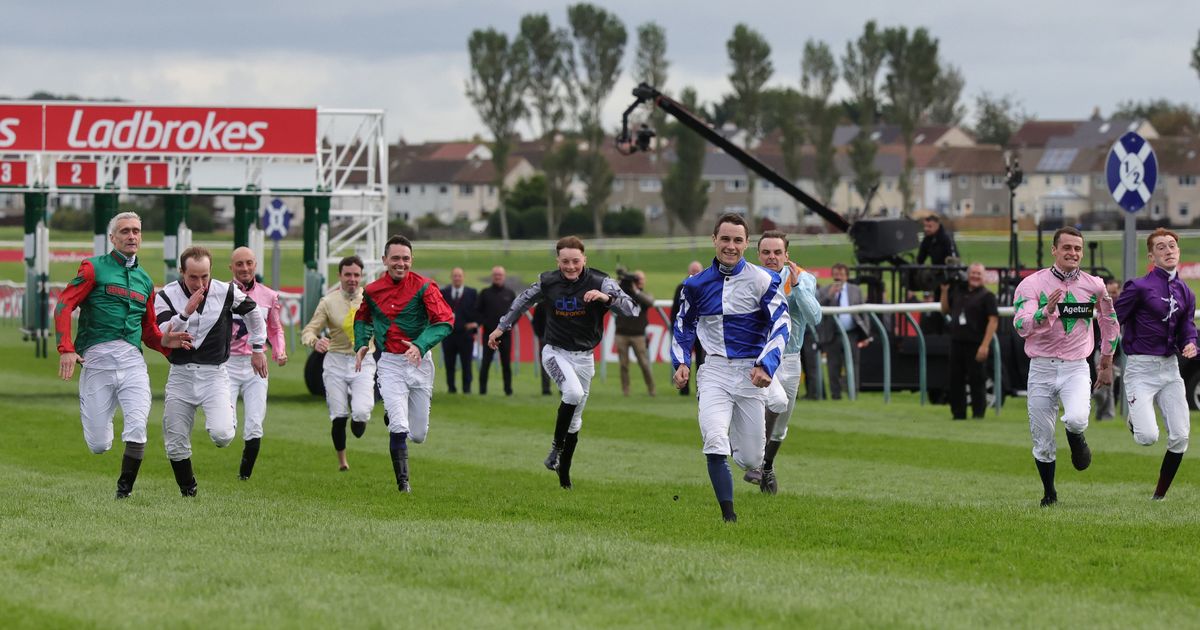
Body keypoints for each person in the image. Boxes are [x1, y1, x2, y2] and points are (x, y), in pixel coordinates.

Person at [54, 211, 191, 498]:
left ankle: (123, 492)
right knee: (99, 444)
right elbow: (64, 306)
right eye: (125, 231)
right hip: (97, 363)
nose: (132, 236)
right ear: (112, 238)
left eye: (136, 231)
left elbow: (149, 332)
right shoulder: (93, 268)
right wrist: (66, 348)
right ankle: (103, 430)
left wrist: (169, 344)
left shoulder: (145, 280)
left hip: (132, 363)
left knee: (138, 426)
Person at [488, 236, 638, 490]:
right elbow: (523, 300)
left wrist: (605, 298)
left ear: (584, 259)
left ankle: (564, 477)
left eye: (575, 261)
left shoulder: (602, 282)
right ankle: (555, 449)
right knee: (572, 393)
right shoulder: (548, 281)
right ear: (557, 261)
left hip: (585, 358)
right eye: (565, 261)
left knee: (576, 420)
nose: (570, 267)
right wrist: (502, 327)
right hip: (555, 352)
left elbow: (632, 309)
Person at [672, 214, 788, 523]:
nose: (731, 246)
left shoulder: (763, 279)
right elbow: (683, 325)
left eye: (737, 240)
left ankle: (740, 451)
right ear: (714, 240)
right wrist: (681, 361)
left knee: (752, 459)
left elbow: (782, 323)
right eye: (725, 239)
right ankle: (729, 517)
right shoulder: (695, 285)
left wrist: (767, 364)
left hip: (751, 373)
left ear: (747, 244)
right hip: (715, 371)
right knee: (713, 440)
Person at [1012, 226, 1118, 507]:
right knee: (1043, 440)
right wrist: (1044, 312)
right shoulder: (1031, 285)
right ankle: (1049, 493)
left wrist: (1106, 359)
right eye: (1067, 248)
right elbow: (1020, 324)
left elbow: (1109, 321)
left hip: (1075, 367)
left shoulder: (1095, 285)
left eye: (1077, 249)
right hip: (1041, 367)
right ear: (1054, 250)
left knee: (1076, 419)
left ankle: (1076, 438)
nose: (1073, 253)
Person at [155, 246, 267, 497]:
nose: (200, 283)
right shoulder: (166, 295)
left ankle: (223, 413)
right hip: (181, 375)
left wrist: (258, 348)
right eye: (193, 277)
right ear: (181, 271)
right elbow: (164, 335)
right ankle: (188, 490)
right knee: (174, 442)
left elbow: (254, 313)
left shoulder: (225, 291)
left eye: (204, 276)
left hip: (214, 374)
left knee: (223, 435)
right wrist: (186, 312)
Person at [354, 235, 453, 493]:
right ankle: (403, 484)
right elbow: (362, 318)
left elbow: (445, 321)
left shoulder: (425, 286)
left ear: (412, 260)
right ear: (384, 260)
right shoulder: (373, 290)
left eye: (405, 259)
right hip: (390, 362)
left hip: (420, 363)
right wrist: (362, 343)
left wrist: (420, 345)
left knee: (418, 435)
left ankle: (394, 414)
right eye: (395, 258)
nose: (400, 263)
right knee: (399, 425)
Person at [1114, 228, 1196, 500]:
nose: (1168, 250)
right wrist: (1105, 354)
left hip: (1170, 369)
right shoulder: (1138, 287)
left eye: (1172, 245)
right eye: (1161, 247)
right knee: (1147, 437)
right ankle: (1135, 419)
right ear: (1151, 255)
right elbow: (1114, 319)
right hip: (1141, 368)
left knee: (1181, 437)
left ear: (1179, 251)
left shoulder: (1186, 292)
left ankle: (1158, 497)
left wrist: (1192, 343)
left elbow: (1187, 327)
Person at [743, 230, 822, 494]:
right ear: (758, 255)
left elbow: (815, 317)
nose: (771, 257)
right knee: (768, 404)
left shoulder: (803, 278)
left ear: (786, 255)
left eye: (777, 252)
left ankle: (766, 465)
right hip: (757, 358)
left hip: (789, 360)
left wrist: (798, 289)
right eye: (766, 252)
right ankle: (753, 461)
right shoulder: (747, 278)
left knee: (781, 425)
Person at [302, 255, 375, 472]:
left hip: (364, 360)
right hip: (334, 362)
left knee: (361, 413)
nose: (352, 279)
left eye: (356, 275)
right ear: (340, 276)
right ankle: (342, 461)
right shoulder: (328, 301)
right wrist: (315, 341)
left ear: (361, 276)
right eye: (347, 275)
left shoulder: (371, 299)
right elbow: (308, 330)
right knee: (338, 414)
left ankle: (359, 418)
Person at [227, 247, 287, 481]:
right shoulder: (221, 293)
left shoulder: (269, 295)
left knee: (254, 422)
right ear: (231, 267)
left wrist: (279, 351)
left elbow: (274, 328)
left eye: (249, 263)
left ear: (256, 265)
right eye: (239, 264)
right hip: (227, 364)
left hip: (256, 365)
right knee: (226, 426)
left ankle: (245, 475)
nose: (245, 268)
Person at [939, 262, 999, 420]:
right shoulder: (959, 291)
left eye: (978, 274)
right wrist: (944, 292)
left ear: (984, 277)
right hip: (957, 341)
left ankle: (978, 413)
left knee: (977, 379)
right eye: (973, 273)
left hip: (976, 342)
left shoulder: (987, 296)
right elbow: (945, 309)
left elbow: (993, 321)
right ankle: (958, 413)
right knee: (955, 379)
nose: (975, 276)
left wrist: (985, 345)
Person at [817, 263, 871, 400]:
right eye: (836, 274)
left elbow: (864, 312)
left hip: (852, 333)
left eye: (841, 274)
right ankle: (836, 395)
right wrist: (830, 296)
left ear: (847, 276)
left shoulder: (855, 290)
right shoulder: (825, 290)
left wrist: (866, 333)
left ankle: (853, 393)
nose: (838, 277)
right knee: (833, 367)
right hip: (832, 335)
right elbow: (817, 308)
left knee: (853, 364)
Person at [614, 269, 656, 396]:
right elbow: (612, 294)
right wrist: (620, 281)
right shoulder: (623, 293)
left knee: (644, 363)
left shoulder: (644, 295)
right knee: (623, 365)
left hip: (638, 335)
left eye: (641, 279)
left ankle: (651, 389)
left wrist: (636, 290)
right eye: (637, 279)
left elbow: (650, 302)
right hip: (621, 334)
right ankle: (625, 390)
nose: (639, 281)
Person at [477, 266, 516, 396]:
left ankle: (508, 390)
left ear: (504, 276)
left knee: (506, 364)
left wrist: (508, 326)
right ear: (492, 276)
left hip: (505, 335)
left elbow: (516, 313)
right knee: (485, 363)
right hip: (488, 335)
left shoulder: (510, 294)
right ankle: (482, 391)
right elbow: (477, 312)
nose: (498, 277)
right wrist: (486, 324)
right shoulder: (484, 293)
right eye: (495, 275)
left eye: (500, 275)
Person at [440, 267, 478, 394]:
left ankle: (466, 389)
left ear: (463, 277)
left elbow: (478, 311)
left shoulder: (472, 293)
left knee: (466, 363)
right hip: (448, 335)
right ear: (451, 277)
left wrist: (475, 324)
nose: (457, 278)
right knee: (449, 363)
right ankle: (451, 388)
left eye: (459, 276)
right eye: (455, 276)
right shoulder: (444, 292)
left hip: (465, 335)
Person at [671, 260, 706, 396]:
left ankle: (701, 388)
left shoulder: (706, 288)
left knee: (701, 362)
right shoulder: (681, 287)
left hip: (701, 332)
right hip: (686, 331)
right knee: (684, 361)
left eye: (697, 271)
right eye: (693, 271)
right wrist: (673, 329)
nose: (695, 274)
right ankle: (684, 389)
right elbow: (675, 311)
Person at [1092, 279, 1122, 420]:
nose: (1111, 296)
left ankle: (1105, 414)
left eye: (1114, 293)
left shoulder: (1123, 307)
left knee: (1108, 386)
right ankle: (1104, 414)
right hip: (1100, 349)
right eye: (1108, 293)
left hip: (1119, 353)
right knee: (1103, 387)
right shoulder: (1099, 307)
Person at [532, 304, 552, 395]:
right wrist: (541, 335)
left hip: (560, 338)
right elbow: (535, 322)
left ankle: (563, 388)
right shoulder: (541, 305)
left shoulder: (559, 300)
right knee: (545, 363)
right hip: (545, 338)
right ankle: (546, 389)